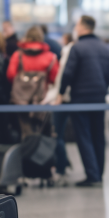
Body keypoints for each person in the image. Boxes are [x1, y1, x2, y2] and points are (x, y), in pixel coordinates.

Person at [59, 15, 109, 187]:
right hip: (99, 98)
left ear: (83, 28)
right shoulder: (105, 48)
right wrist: (102, 88)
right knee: (98, 135)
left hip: (80, 99)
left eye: (76, 25)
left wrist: (61, 93)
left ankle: (92, 175)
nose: (75, 28)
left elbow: (68, 73)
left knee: (84, 136)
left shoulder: (77, 48)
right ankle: (99, 172)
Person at [7, 26, 59, 138]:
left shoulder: (18, 55)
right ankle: (41, 153)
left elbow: (11, 75)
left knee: (26, 131)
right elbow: (54, 78)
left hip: (21, 100)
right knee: (43, 131)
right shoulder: (50, 57)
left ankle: (27, 152)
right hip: (42, 100)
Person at [43, 33, 74, 186]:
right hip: (70, 99)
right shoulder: (54, 54)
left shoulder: (67, 51)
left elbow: (61, 76)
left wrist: (58, 95)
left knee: (56, 135)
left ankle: (60, 167)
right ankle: (63, 166)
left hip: (58, 99)